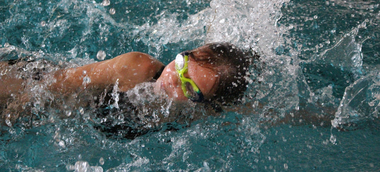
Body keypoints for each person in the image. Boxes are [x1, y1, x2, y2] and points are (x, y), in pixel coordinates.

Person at [0, 43, 255, 133]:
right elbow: (54, 83)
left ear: (206, 105)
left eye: (190, 89)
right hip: (25, 83)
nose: (175, 79)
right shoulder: (136, 68)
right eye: (181, 64)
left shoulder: (205, 115)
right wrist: (14, 111)